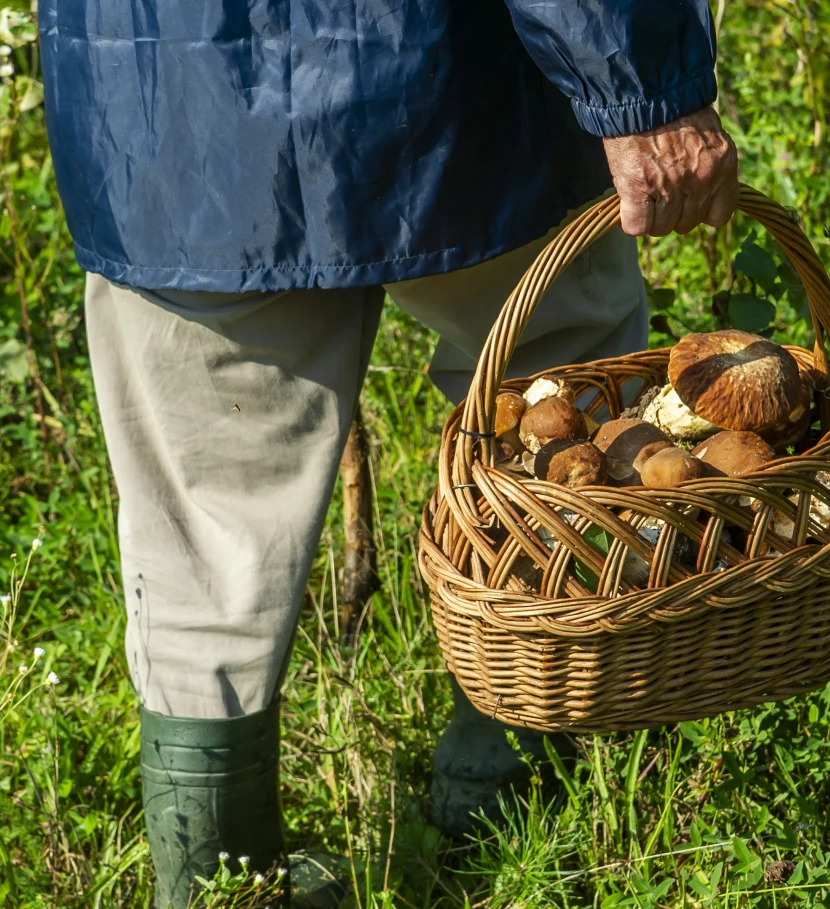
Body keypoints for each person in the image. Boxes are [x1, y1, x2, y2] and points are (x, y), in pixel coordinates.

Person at [36, 0, 739, 903]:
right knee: (557, 411)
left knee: (205, 531)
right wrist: (644, 90)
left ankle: (219, 881)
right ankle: (512, 781)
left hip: (172, 108)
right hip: (451, 86)